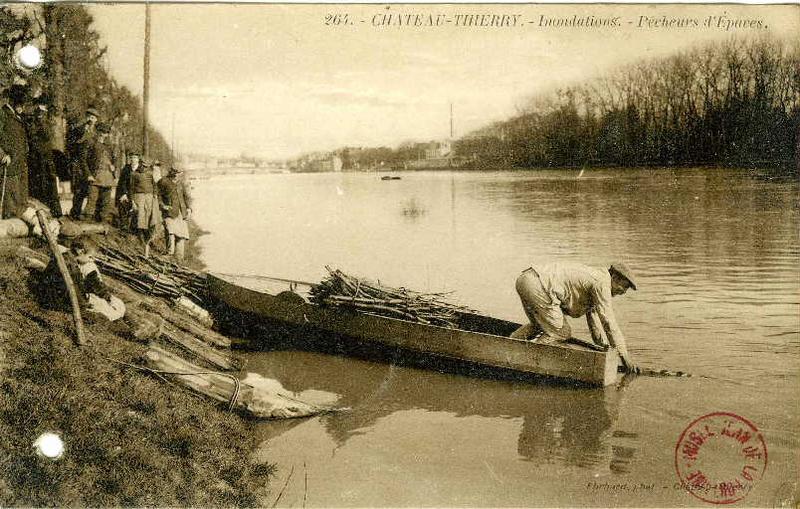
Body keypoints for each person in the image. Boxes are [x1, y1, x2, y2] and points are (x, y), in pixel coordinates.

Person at [514, 262, 640, 373]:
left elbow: (595, 323)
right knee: (561, 332)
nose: (623, 292)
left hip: (527, 279)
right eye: (624, 286)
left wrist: (605, 348)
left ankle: (509, 346)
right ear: (614, 277)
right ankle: (529, 361)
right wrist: (625, 357)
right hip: (538, 285)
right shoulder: (602, 283)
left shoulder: (597, 279)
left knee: (540, 326)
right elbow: (608, 321)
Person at [36, 236, 126, 322]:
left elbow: (78, 285)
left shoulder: (67, 258)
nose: (92, 260)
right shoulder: (69, 266)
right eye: (90, 257)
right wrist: (85, 305)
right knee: (102, 314)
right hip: (53, 301)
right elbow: (73, 289)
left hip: (51, 295)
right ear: (80, 251)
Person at [24, 101, 62, 216]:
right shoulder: (32, 122)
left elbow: (51, 141)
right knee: (38, 186)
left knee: (49, 186)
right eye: (39, 111)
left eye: (43, 111)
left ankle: (54, 212)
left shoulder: (47, 123)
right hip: (36, 160)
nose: (41, 113)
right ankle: (41, 211)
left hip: (46, 160)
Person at [118, 158, 160, 257]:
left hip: (149, 197)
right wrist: (132, 200)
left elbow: (154, 186)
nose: (143, 167)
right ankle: (140, 238)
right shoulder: (134, 174)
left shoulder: (151, 173)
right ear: (140, 164)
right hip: (138, 197)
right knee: (140, 217)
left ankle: (147, 240)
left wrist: (155, 195)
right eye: (142, 165)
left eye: (145, 166)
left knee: (150, 217)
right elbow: (131, 189)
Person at [0, 84, 30, 219]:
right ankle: (9, 219)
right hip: (9, 161)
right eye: (20, 104)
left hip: (20, 162)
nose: (22, 107)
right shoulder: (3, 115)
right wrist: (2, 154)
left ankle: (20, 217)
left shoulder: (17, 117)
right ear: (13, 101)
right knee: (10, 194)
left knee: (20, 194)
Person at [67, 106, 99, 219]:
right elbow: (72, 140)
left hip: (90, 165)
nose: (91, 120)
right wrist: (83, 126)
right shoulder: (79, 129)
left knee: (89, 190)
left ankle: (87, 214)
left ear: (96, 120)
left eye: (94, 118)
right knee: (79, 190)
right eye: (90, 117)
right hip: (79, 164)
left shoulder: (96, 133)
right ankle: (75, 213)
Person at [82, 122, 116, 223]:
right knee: (92, 200)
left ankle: (103, 224)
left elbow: (114, 160)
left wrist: (114, 167)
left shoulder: (109, 146)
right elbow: (83, 160)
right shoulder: (90, 143)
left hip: (108, 177)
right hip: (95, 176)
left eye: (105, 133)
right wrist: (88, 174)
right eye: (101, 132)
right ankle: (87, 222)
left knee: (105, 202)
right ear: (97, 132)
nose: (103, 134)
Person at [158, 165, 192, 261]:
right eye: (176, 173)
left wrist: (189, 208)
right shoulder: (163, 182)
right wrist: (163, 205)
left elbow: (186, 196)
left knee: (182, 235)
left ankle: (179, 258)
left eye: (179, 173)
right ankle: (169, 254)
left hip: (181, 212)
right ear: (171, 172)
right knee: (170, 231)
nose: (177, 175)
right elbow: (157, 195)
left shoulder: (181, 183)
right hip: (169, 211)